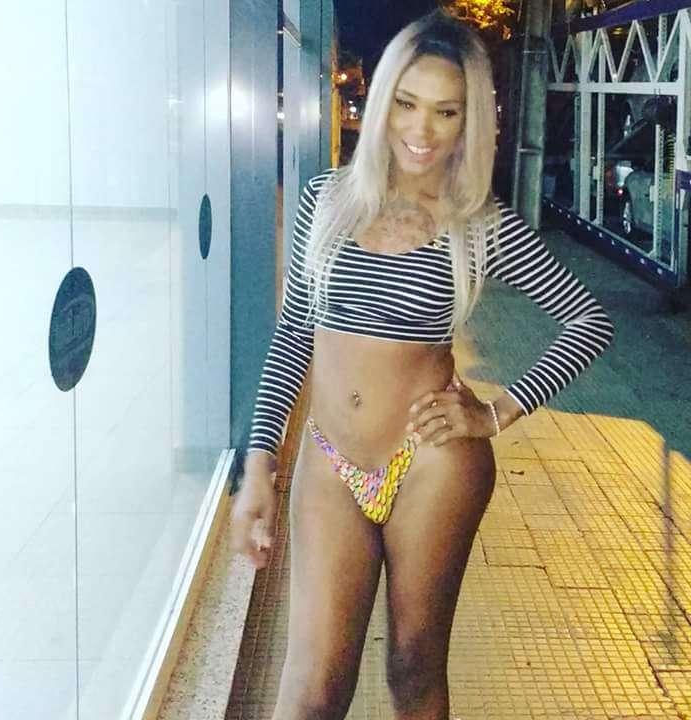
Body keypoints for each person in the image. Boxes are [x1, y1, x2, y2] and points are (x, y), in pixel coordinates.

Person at [230, 8, 614, 720]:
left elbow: (590, 320)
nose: (422, 130)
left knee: (412, 667)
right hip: (329, 459)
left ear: (470, 121)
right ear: (382, 102)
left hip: (431, 463)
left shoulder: (479, 224)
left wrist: (495, 413)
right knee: (312, 689)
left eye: (446, 111)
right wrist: (258, 465)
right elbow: (292, 338)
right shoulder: (324, 201)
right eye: (407, 104)